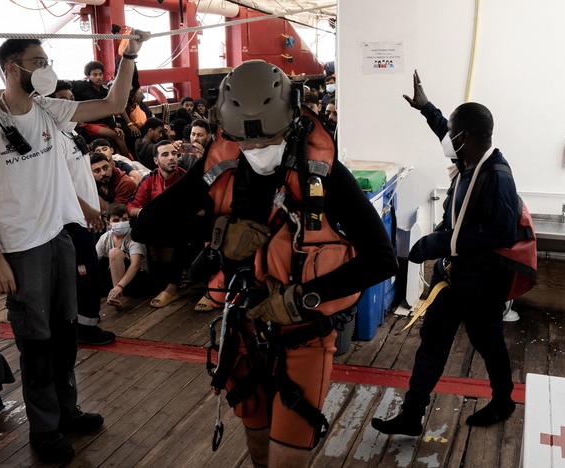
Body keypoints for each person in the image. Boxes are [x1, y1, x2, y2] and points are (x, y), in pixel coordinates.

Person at [132, 60, 397, 467]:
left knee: (287, 456)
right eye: (247, 143)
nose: (258, 151)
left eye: (268, 139)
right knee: (257, 444)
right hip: (243, 327)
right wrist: (216, 229)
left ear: (291, 122)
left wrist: (304, 298)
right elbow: (147, 226)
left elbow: (382, 259)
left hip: (305, 333)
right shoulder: (221, 169)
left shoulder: (325, 176)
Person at [0, 30, 149, 463]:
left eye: (47, 60)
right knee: (37, 343)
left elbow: (115, 103)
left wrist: (130, 54)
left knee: (65, 335)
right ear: (13, 68)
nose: (46, 69)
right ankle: (44, 430)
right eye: (38, 61)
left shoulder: (50, 110)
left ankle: (68, 411)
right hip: (20, 250)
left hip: (58, 238)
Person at [372, 70, 520, 437]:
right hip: (453, 277)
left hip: (484, 283)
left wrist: (441, 243)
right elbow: (444, 130)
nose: (447, 138)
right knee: (433, 340)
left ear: (465, 138)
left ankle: (503, 400)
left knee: (489, 344)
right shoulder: (470, 159)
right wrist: (425, 108)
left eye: (454, 133)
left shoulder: (497, 176)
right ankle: (412, 413)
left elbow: (504, 232)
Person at [51, 82, 116, 346]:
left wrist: (98, 205)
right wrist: (87, 209)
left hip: (86, 215)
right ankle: (84, 328)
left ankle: (86, 322)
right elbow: (60, 184)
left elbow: (81, 179)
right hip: (72, 218)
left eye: (71, 100)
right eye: (62, 101)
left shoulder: (72, 134)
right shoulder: (55, 140)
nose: (70, 106)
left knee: (89, 274)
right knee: (84, 274)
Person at [127, 140, 186, 308]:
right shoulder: (150, 180)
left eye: (174, 154)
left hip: (181, 228)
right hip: (158, 227)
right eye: (165, 155)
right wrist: (142, 212)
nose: (171, 158)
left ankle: (172, 287)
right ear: (156, 160)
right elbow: (132, 206)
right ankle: (153, 281)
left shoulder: (184, 178)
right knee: (139, 226)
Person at [71, 61, 131, 157]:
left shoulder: (104, 91)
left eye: (100, 74)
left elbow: (109, 111)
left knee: (120, 133)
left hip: (102, 123)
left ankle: (120, 158)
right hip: (88, 124)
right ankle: (129, 159)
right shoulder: (81, 86)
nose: (98, 77)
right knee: (116, 136)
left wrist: (114, 126)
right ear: (88, 76)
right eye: (94, 75)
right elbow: (66, 88)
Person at [96, 203, 148, 309]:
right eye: (116, 220)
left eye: (124, 219)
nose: (121, 223)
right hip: (115, 279)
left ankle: (117, 297)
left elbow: (135, 264)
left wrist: (119, 287)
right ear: (108, 222)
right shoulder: (105, 238)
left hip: (136, 279)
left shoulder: (134, 236)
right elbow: (93, 260)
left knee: (114, 253)